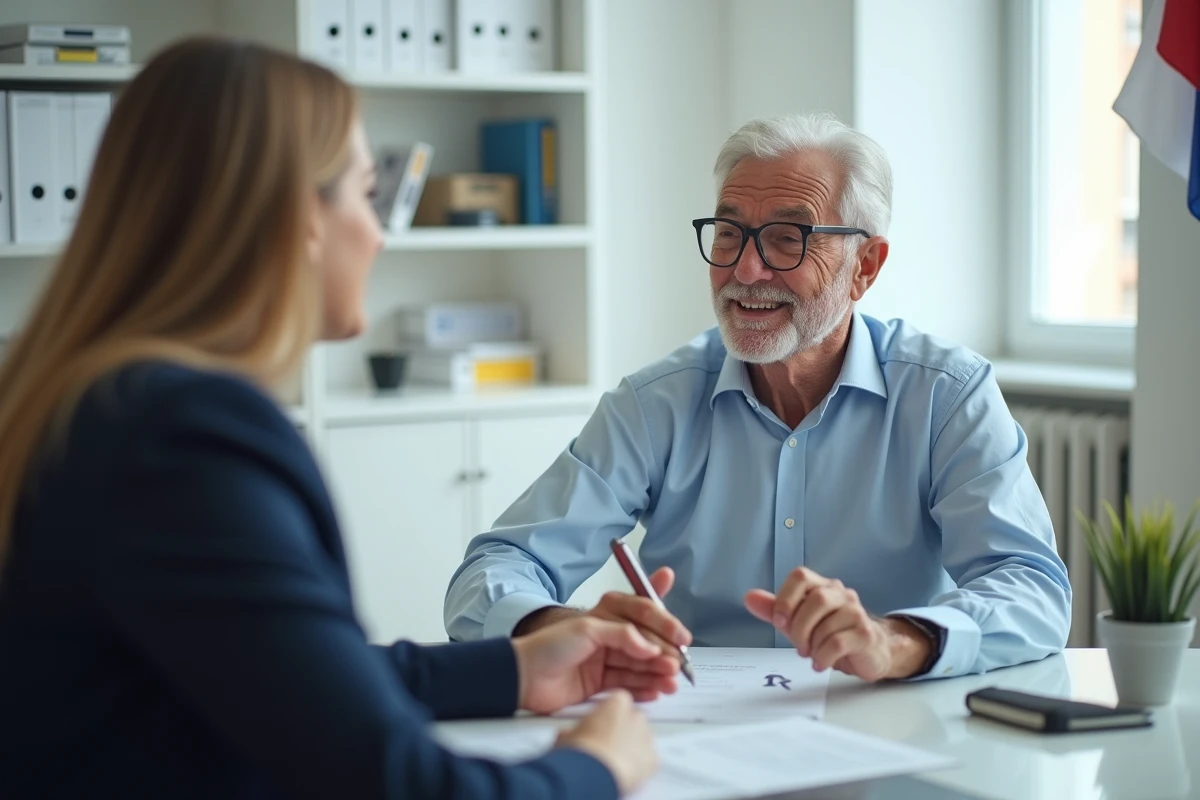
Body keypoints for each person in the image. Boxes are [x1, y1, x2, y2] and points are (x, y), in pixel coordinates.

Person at [0, 38, 678, 799]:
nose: (380, 233)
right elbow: (393, 784)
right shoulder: (184, 439)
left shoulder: (93, 402)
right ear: (302, 216)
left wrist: (513, 667)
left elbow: (277, 670)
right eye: (365, 194)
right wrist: (596, 766)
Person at [446, 112, 1072, 682]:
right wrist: (554, 627)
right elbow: (494, 568)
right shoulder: (655, 404)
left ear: (865, 267)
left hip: (886, 721)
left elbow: (1032, 589)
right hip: (700, 727)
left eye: (787, 239)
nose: (745, 271)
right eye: (729, 234)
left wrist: (896, 640)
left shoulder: (947, 396)